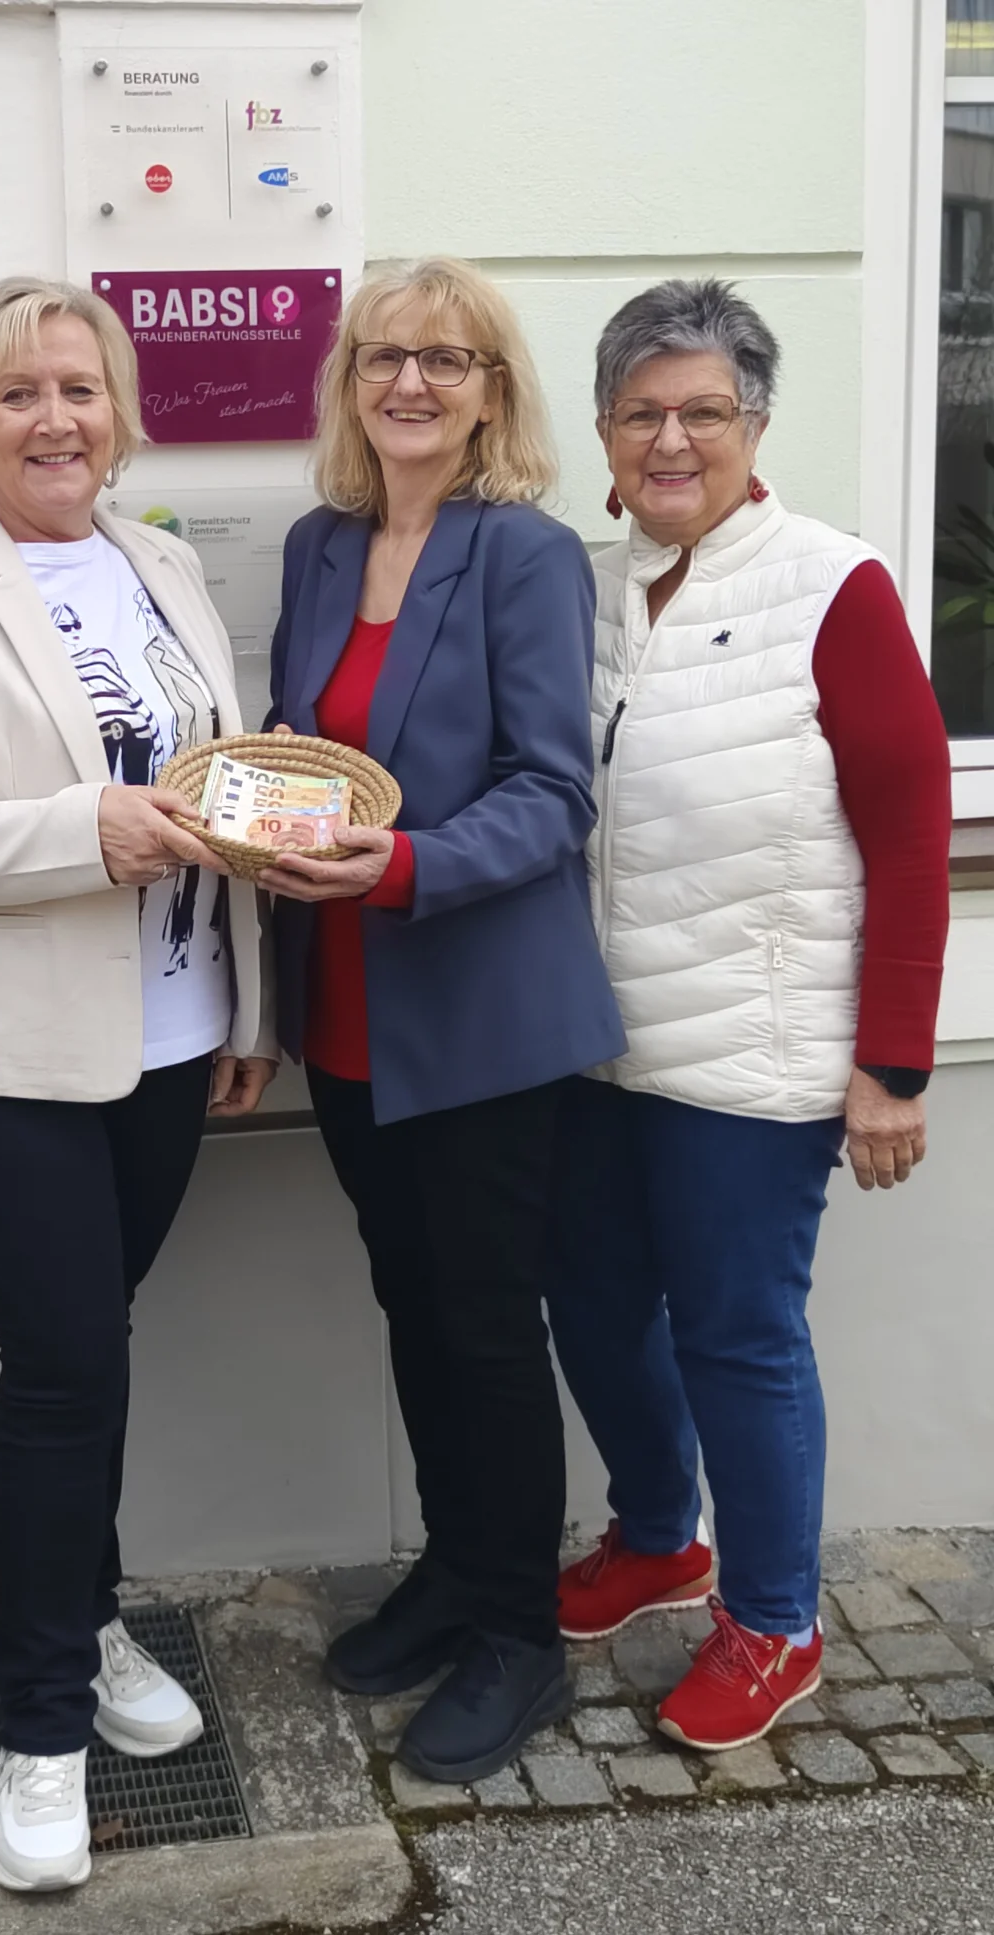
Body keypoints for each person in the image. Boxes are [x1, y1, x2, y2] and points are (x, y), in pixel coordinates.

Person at [0, 276, 276, 1894]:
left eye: (80, 388)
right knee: (67, 1366)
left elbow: (222, 785)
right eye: (19, 392)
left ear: (120, 412)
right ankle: (38, 1732)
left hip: (165, 1032)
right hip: (0, 1055)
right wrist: (80, 828)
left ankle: (84, 1624)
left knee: (95, 1346)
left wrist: (246, 992)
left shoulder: (161, 563)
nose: (56, 418)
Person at [548, 280, 952, 1752]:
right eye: (642, 411)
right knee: (592, 1308)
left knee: (738, 1335)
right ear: (605, 431)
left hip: (754, 1051)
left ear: (755, 425)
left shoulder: (833, 585)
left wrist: (892, 1064)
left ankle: (775, 1619)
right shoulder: (586, 588)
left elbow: (912, 833)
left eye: (704, 411)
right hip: (595, 1046)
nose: (672, 439)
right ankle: (662, 1536)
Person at [262, 258, 625, 1784]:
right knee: (412, 1303)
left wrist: (404, 865)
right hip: (349, 1006)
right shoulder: (321, 545)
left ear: (492, 393)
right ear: (350, 381)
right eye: (383, 356)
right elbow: (301, 750)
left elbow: (553, 793)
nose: (409, 383)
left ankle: (519, 1635)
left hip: (476, 1012)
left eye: (446, 360)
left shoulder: (527, 555)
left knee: (484, 1324)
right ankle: (460, 1570)